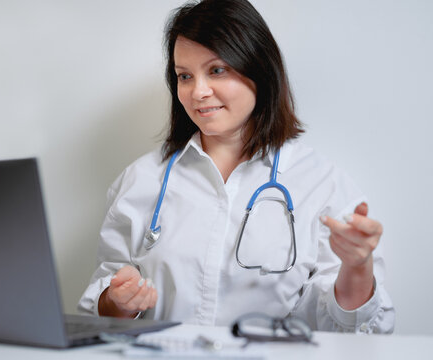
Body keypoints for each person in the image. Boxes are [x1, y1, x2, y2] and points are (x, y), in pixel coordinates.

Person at [78, 0, 395, 333]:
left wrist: (358, 267)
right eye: (184, 76)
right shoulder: (141, 180)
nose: (198, 91)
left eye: (216, 70)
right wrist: (118, 301)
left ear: (259, 70)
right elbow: (102, 303)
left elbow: (352, 330)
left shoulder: (322, 184)